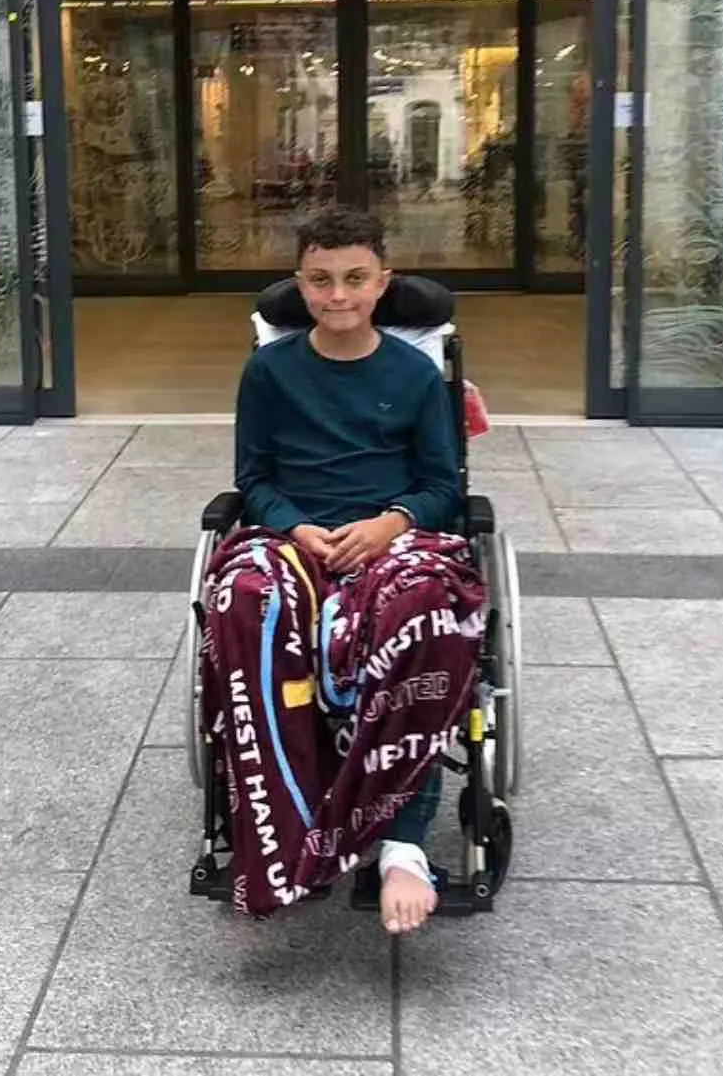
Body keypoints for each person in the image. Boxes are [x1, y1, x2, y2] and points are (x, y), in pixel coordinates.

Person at [200, 206, 484, 935]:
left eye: (355, 279)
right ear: (301, 285)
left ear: (382, 283)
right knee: (244, 598)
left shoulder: (415, 374)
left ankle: (402, 847)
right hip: (292, 535)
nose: (338, 295)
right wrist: (296, 526)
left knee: (425, 608)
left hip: (392, 537)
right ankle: (286, 825)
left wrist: (390, 523)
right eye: (321, 280)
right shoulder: (269, 371)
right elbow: (253, 477)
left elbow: (442, 485)